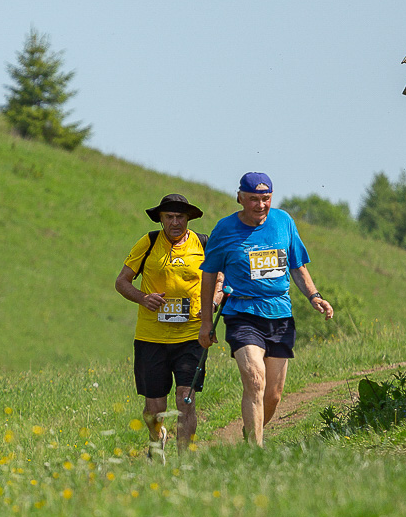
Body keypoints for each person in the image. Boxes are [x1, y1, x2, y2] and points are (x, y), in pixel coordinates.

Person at [198, 172, 333, 446]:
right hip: (242, 313)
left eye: (266, 199)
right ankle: (255, 452)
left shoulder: (283, 222)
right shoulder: (224, 229)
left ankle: (250, 433)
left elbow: (297, 265)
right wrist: (206, 322)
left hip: (280, 314)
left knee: (273, 395)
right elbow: (209, 275)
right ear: (240, 198)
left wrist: (314, 295)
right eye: (253, 199)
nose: (260, 205)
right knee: (255, 381)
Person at [114, 193, 221, 450]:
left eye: (180, 217)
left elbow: (221, 279)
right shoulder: (149, 242)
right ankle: (157, 439)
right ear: (161, 219)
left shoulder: (203, 244)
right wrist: (143, 298)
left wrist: (212, 305)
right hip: (151, 337)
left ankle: (185, 461)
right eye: (169, 217)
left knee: (186, 401)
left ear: (188, 219)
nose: (175, 222)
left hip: (191, 336)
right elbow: (121, 282)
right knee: (154, 409)